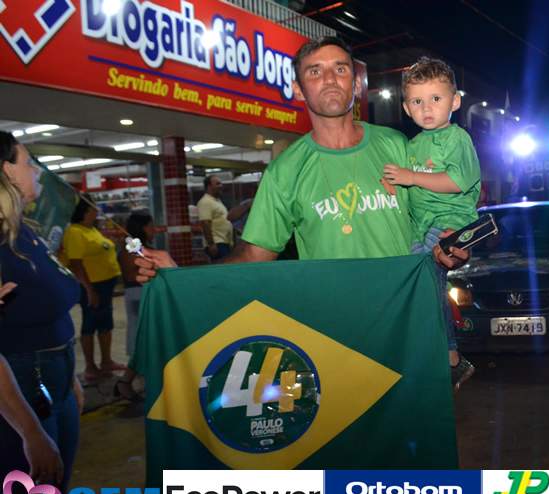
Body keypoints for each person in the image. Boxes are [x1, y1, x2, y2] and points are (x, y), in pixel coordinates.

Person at [135, 37, 467, 333]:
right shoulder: (285, 171)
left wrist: (453, 243)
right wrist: (180, 276)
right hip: (337, 332)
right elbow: (253, 255)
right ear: (297, 89)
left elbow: (442, 208)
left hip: (410, 320)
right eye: (315, 71)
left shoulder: (397, 145)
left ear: (355, 84)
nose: (330, 79)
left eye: (340, 69)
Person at [381, 56, 481, 390]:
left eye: (436, 98)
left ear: (455, 101)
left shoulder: (457, 138)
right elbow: (404, 184)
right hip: (421, 226)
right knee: (422, 287)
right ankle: (441, 352)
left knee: (424, 283)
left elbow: (457, 181)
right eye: (417, 101)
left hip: (450, 222)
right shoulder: (411, 145)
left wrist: (410, 177)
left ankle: (450, 356)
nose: (426, 108)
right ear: (406, 108)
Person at [0, 131, 83, 494]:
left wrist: (70, 377)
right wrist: (30, 431)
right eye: (29, 163)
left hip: (56, 382)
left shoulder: (25, 232)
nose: (37, 172)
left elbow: (51, 308)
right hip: (20, 393)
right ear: (6, 171)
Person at [62, 199, 124, 381]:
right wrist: (89, 290)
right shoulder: (75, 232)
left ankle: (106, 361)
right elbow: (76, 264)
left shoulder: (91, 229)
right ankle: (90, 366)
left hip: (105, 285)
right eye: (93, 208)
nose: (97, 210)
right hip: (92, 286)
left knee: (105, 323)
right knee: (90, 324)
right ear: (84, 211)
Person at [114, 211, 155, 401]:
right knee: (143, 340)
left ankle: (129, 382)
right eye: (151, 226)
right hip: (138, 296)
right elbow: (131, 275)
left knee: (146, 341)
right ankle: (126, 382)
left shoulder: (138, 248)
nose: (154, 230)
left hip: (142, 295)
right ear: (142, 228)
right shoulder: (131, 249)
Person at [197, 175, 250, 262]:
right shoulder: (205, 202)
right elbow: (205, 223)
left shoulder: (217, 201)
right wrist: (211, 245)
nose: (221, 186)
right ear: (209, 186)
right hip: (217, 243)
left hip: (224, 242)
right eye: (217, 184)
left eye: (221, 183)